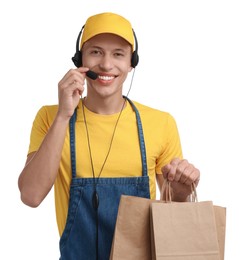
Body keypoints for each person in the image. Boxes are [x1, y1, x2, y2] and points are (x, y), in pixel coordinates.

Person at [18, 12, 200, 260]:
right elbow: (31, 196)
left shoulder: (161, 123)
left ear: (131, 63)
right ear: (79, 58)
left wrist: (181, 192)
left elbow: (174, 219)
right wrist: (63, 115)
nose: (106, 64)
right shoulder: (51, 118)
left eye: (118, 54)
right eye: (95, 52)